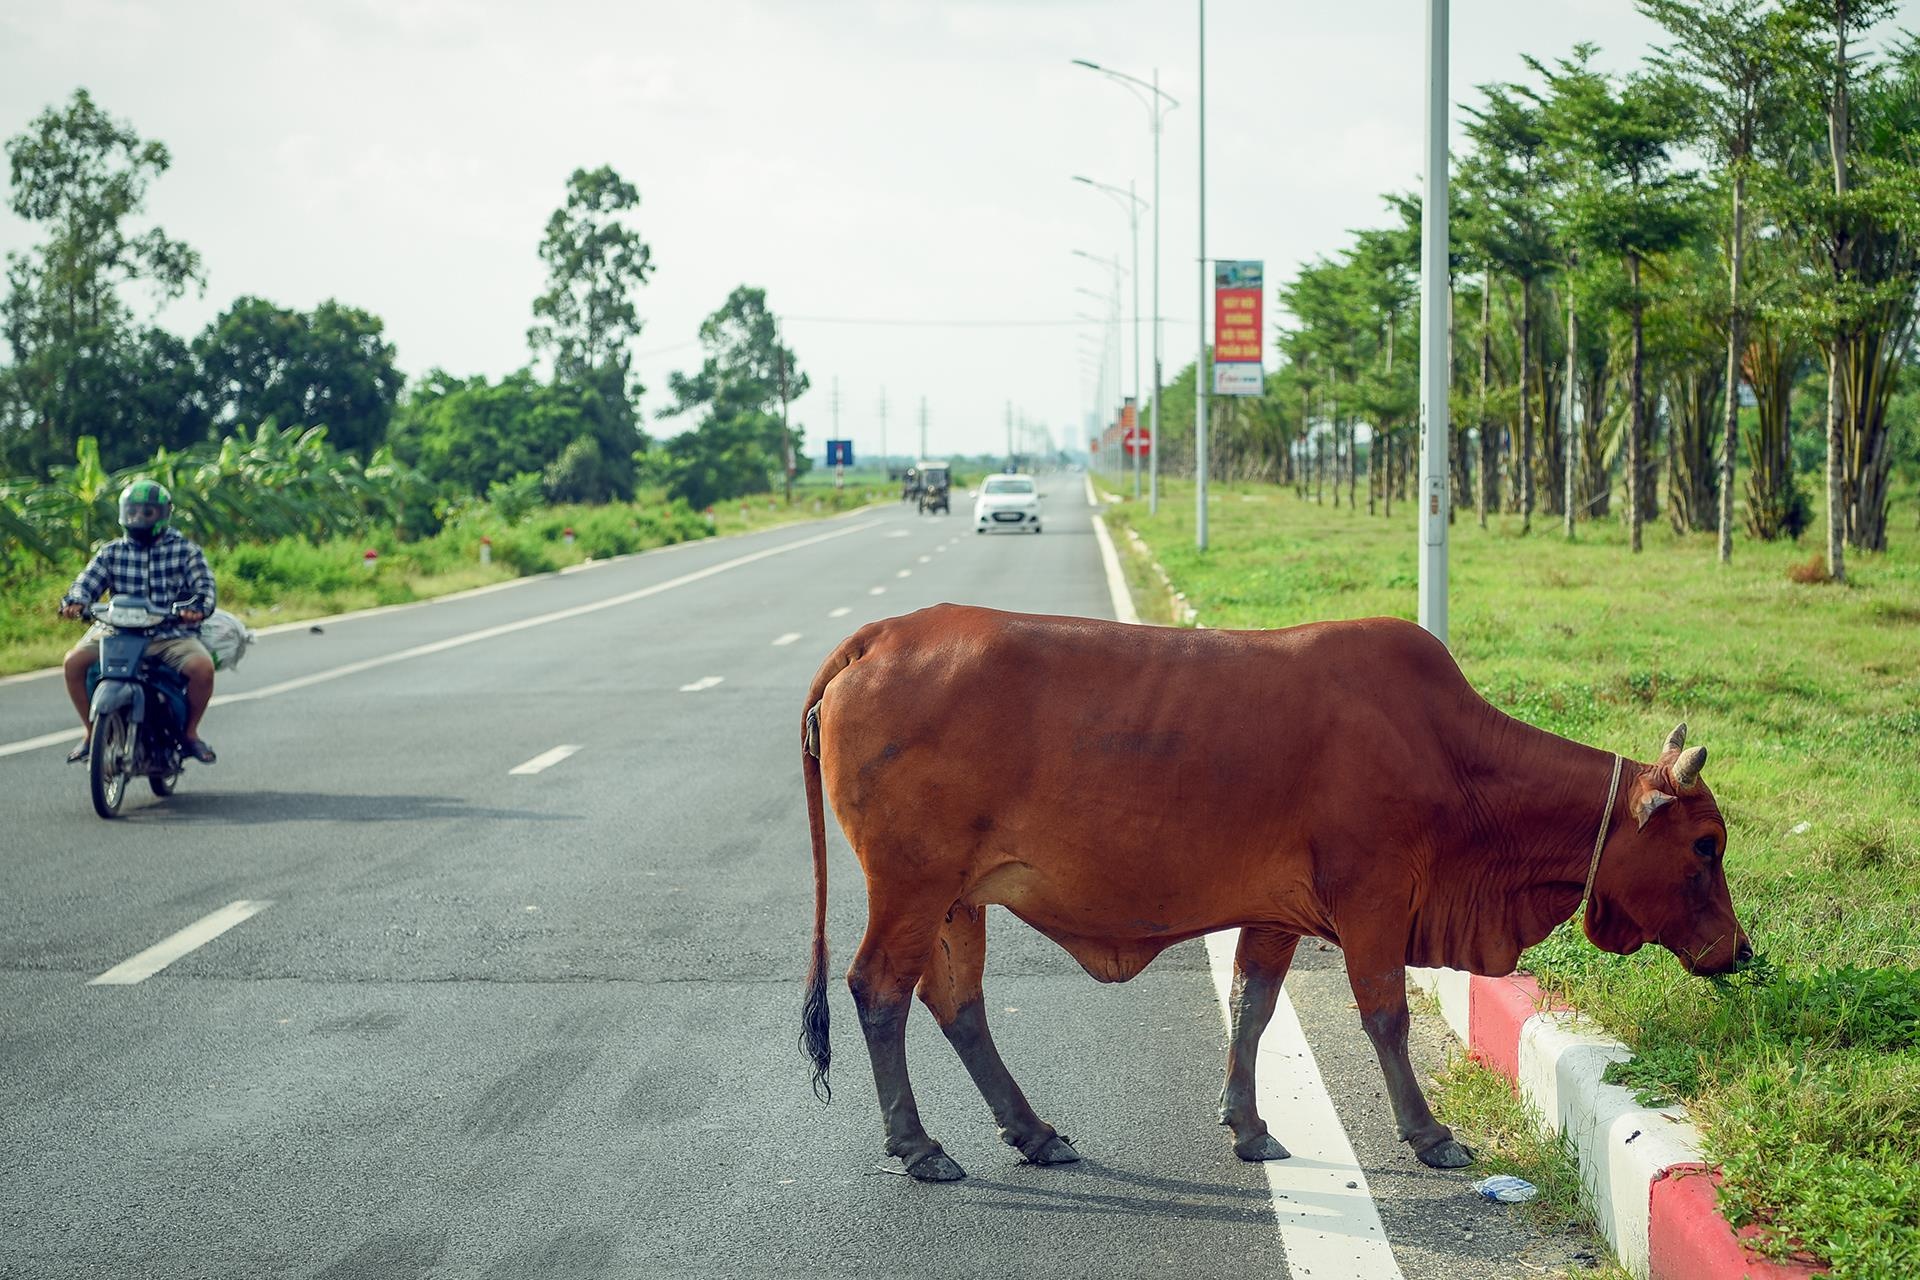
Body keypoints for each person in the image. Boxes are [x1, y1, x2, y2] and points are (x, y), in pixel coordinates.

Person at [58, 479, 219, 765]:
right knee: (73, 662)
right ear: (123, 513)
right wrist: (74, 602)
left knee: (202, 668)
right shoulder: (111, 552)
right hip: (115, 630)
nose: (139, 518)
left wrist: (196, 607)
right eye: (133, 511)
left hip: (168, 633)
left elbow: (204, 588)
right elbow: (85, 584)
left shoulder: (185, 551)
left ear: (163, 514)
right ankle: (90, 732)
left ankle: (190, 734)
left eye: (148, 512)